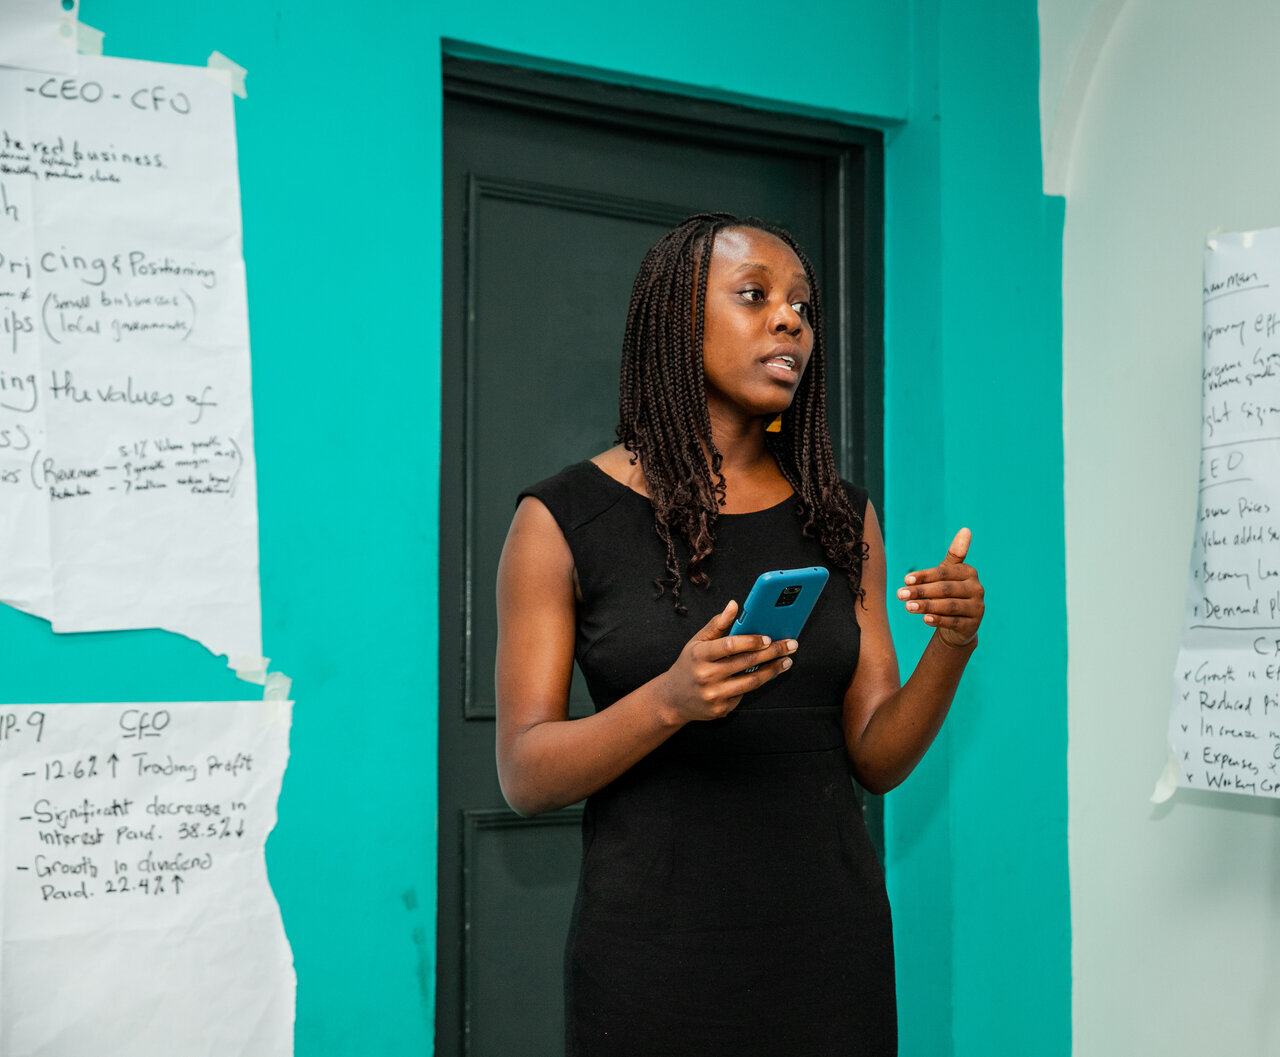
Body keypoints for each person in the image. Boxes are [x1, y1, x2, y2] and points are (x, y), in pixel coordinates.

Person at [494, 213, 984, 1056]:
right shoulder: (562, 519)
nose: (790, 319)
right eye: (755, 296)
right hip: (652, 967)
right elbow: (524, 773)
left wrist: (953, 643)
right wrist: (671, 700)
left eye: (802, 306)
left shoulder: (842, 516)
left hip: (830, 955)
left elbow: (876, 756)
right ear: (677, 321)